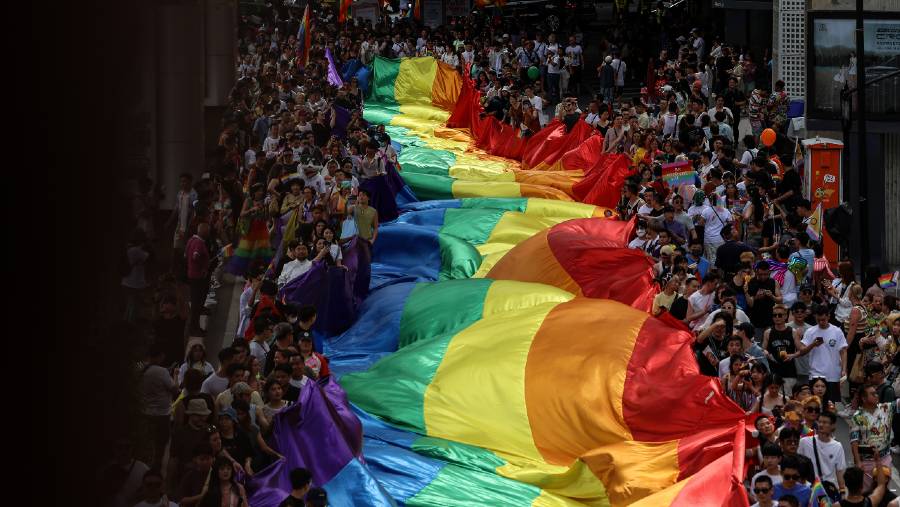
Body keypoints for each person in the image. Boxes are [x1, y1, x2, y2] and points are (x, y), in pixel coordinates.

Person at [848, 385, 899, 492]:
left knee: (883, 491)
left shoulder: (886, 408)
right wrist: (858, 462)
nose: (877, 395)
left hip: (884, 458)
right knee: (867, 492)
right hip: (867, 461)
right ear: (864, 398)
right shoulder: (857, 416)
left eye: (876, 393)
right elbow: (854, 441)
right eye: (873, 394)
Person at [797, 304, 848, 407]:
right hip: (815, 374)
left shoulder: (837, 331)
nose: (821, 322)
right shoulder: (811, 332)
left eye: (823, 320)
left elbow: (843, 351)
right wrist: (813, 344)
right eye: (818, 320)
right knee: (815, 405)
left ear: (828, 316)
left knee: (830, 407)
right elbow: (802, 350)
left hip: (833, 375)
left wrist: (843, 369)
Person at [139, 343, 180, 469]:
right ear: (160, 356)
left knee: (146, 442)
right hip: (161, 415)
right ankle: (155, 469)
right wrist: (175, 375)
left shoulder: (143, 369)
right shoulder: (161, 371)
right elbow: (175, 390)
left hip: (145, 412)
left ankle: (143, 466)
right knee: (160, 444)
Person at [796, 411, 846, 493]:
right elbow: (797, 463)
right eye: (819, 422)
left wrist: (842, 491)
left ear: (832, 425)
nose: (821, 425)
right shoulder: (804, 442)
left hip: (828, 489)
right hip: (808, 488)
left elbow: (840, 471)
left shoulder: (837, 446)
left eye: (825, 422)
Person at [186, 223, 211, 334]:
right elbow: (195, 256)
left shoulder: (191, 240)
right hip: (197, 277)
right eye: (208, 231)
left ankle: (194, 326)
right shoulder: (199, 243)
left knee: (196, 303)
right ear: (204, 232)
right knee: (196, 304)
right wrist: (203, 267)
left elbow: (186, 255)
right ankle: (194, 328)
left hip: (192, 275)